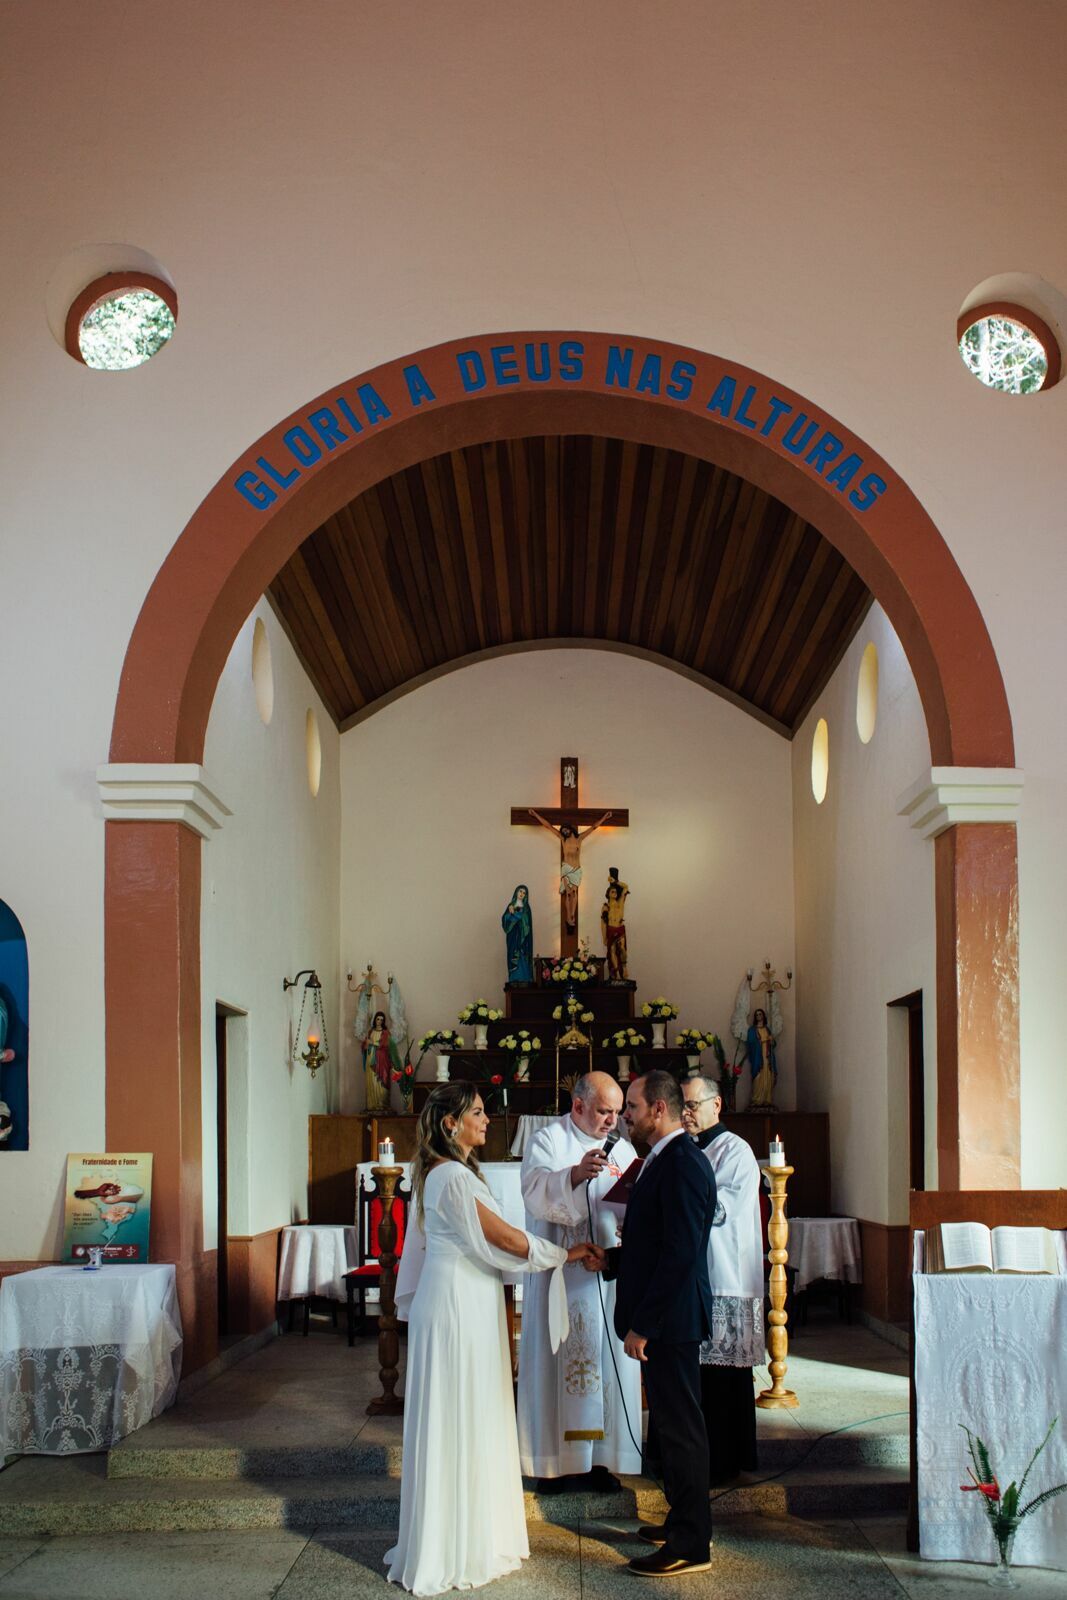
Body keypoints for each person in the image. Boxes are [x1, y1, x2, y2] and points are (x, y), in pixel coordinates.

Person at [386, 1082, 600, 1596]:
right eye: (477, 1113)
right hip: (458, 1303)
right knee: (462, 1410)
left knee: (467, 1411)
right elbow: (501, 1239)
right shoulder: (451, 1175)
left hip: (465, 1294)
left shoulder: (443, 1172)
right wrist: (563, 1255)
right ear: (450, 1123)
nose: (486, 1120)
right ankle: (457, 1545)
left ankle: (463, 1533)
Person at [597, 1069, 717, 1577]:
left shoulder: (683, 1162)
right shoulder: (661, 1158)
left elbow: (680, 1253)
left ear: (659, 1109)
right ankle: (680, 1520)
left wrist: (644, 1323)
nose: (626, 1116)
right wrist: (610, 1260)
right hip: (665, 1314)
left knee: (681, 1427)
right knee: (668, 1426)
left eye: (633, 1107)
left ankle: (691, 1543)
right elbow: (651, 1243)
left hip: (672, 1319)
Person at [517, 1071, 642, 1493]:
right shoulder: (547, 1140)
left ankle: (601, 1461)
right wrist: (572, 1176)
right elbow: (534, 1192)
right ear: (577, 1106)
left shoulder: (622, 1148)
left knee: (606, 1362)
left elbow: (629, 1202)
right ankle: (555, 1465)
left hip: (605, 1279)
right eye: (604, 1111)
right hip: (561, 1279)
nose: (612, 1121)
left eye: (617, 1112)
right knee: (557, 1362)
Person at [681, 1076, 764, 1482]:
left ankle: (724, 1460)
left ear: (716, 1105)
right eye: (682, 1105)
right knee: (694, 1377)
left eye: (693, 1105)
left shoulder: (735, 1150)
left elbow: (721, 1208)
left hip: (725, 1273)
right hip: (694, 1276)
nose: (686, 1113)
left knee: (722, 1378)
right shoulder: (685, 1148)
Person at [529, 808, 611, 932]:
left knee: (574, 892)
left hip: (577, 870)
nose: (564, 831)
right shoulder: (563, 839)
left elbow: (593, 827)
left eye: (565, 829)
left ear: (570, 828)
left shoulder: (580, 838)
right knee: (568, 893)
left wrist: (605, 817)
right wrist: (535, 814)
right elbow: (548, 826)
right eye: (563, 831)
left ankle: (572, 914)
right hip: (567, 869)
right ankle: (569, 916)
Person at [362, 1009, 400, 1114]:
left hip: (381, 1061)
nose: (379, 1021)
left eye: (381, 1020)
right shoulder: (370, 1032)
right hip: (370, 1059)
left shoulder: (386, 1033)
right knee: (371, 1082)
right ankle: (371, 1105)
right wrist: (365, 1044)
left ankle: (382, 1104)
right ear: (375, 1020)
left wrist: (372, 1043)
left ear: (383, 1021)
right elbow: (365, 1046)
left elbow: (386, 1046)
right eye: (378, 1019)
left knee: (381, 1083)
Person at [600, 868, 629, 981]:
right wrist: (604, 937)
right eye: (612, 892)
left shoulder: (620, 903)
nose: (615, 893)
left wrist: (615, 881)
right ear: (608, 894)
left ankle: (624, 968)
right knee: (612, 952)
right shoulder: (606, 907)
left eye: (616, 892)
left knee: (622, 949)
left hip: (620, 928)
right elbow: (603, 923)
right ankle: (616, 974)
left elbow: (626, 887)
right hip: (611, 930)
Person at [501, 884, 534, 984]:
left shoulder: (526, 907)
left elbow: (526, 921)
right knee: (513, 955)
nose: (522, 894)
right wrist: (509, 914)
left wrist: (515, 914)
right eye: (520, 891)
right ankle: (514, 978)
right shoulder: (511, 905)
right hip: (512, 936)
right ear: (516, 892)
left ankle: (524, 978)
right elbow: (505, 920)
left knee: (522, 955)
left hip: (523, 937)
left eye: (524, 893)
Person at [747, 1008, 777, 1109]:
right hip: (758, 1057)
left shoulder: (767, 1029)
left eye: (760, 1014)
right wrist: (761, 1041)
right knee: (758, 1078)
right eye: (757, 1015)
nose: (759, 1016)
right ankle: (757, 1099)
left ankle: (767, 1100)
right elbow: (750, 1043)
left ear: (763, 1016)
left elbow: (773, 1044)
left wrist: (771, 1041)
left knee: (768, 1076)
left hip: (767, 1057)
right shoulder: (752, 1030)